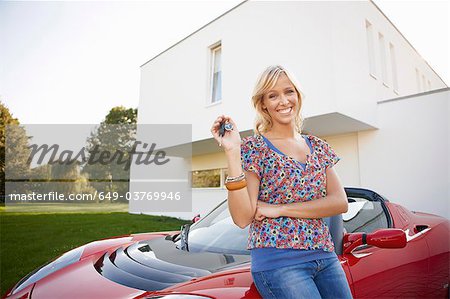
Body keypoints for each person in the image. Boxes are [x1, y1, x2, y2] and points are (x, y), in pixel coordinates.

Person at [210, 65, 353, 298]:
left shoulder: (318, 146)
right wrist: (232, 152)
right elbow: (242, 217)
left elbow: (339, 203)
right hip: (279, 263)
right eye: (273, 95)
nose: (284, 101)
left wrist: (280, 209)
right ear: (263, 103)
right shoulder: (255, 148)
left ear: (297, 95)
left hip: (325, 256)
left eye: (289, 92)